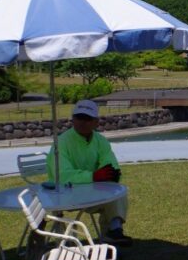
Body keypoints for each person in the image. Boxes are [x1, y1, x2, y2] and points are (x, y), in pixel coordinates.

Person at [46, 99, 131, 245]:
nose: (82, 122)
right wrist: (94, 176)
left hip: (91, 192)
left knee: (117, 192)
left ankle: (113, 234)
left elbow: (111, 166)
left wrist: (112, 174)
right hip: (64, 195)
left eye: (87, 118)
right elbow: (62, 175)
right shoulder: (61, 142)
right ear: (73, 119)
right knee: (110, 194)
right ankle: (68, 246)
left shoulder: (100, 140)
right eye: (79, 117)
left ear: (96, 122)